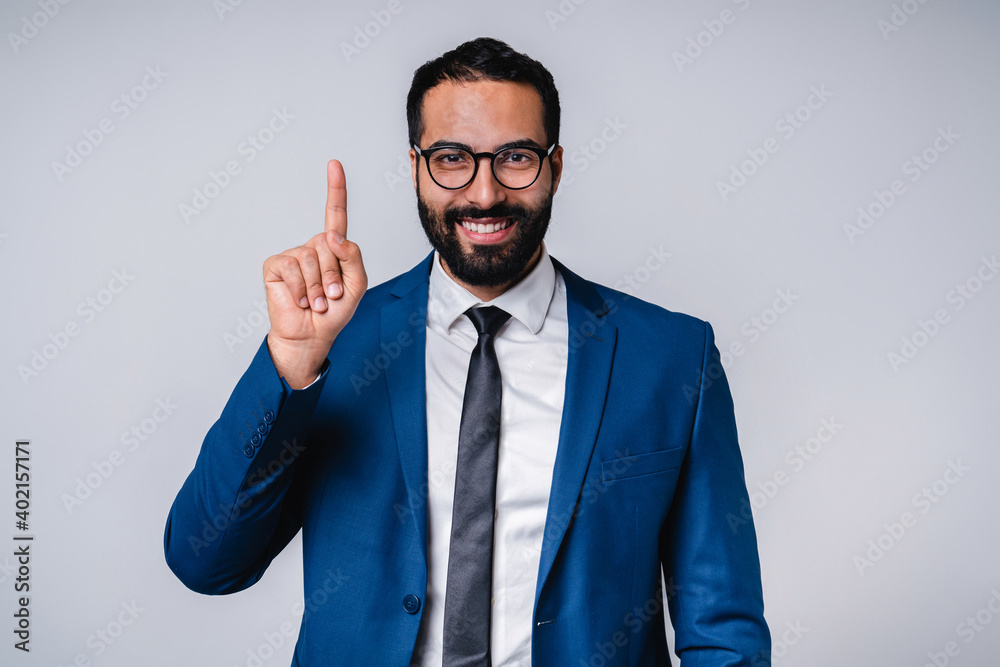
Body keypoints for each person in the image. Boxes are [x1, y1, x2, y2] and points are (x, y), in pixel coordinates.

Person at [164, 37, 770, 666]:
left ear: (556, 167)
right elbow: (206, 562)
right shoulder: (336, 344)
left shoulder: (672, 357)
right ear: (417, 166)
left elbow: (723, 630)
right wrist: (290, 363)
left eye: (515, 158)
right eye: (453, 158)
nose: (484, 194)